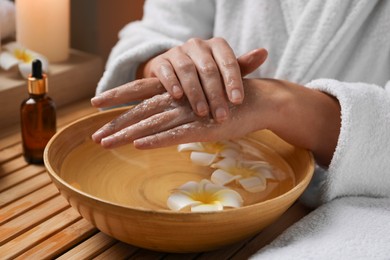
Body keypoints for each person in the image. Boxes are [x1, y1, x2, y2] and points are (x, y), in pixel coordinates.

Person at [91, 0, 390, 258]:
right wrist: (165, 66)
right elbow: (157, 28)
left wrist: (281, 103)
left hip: (353, 205)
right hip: (220, 173)